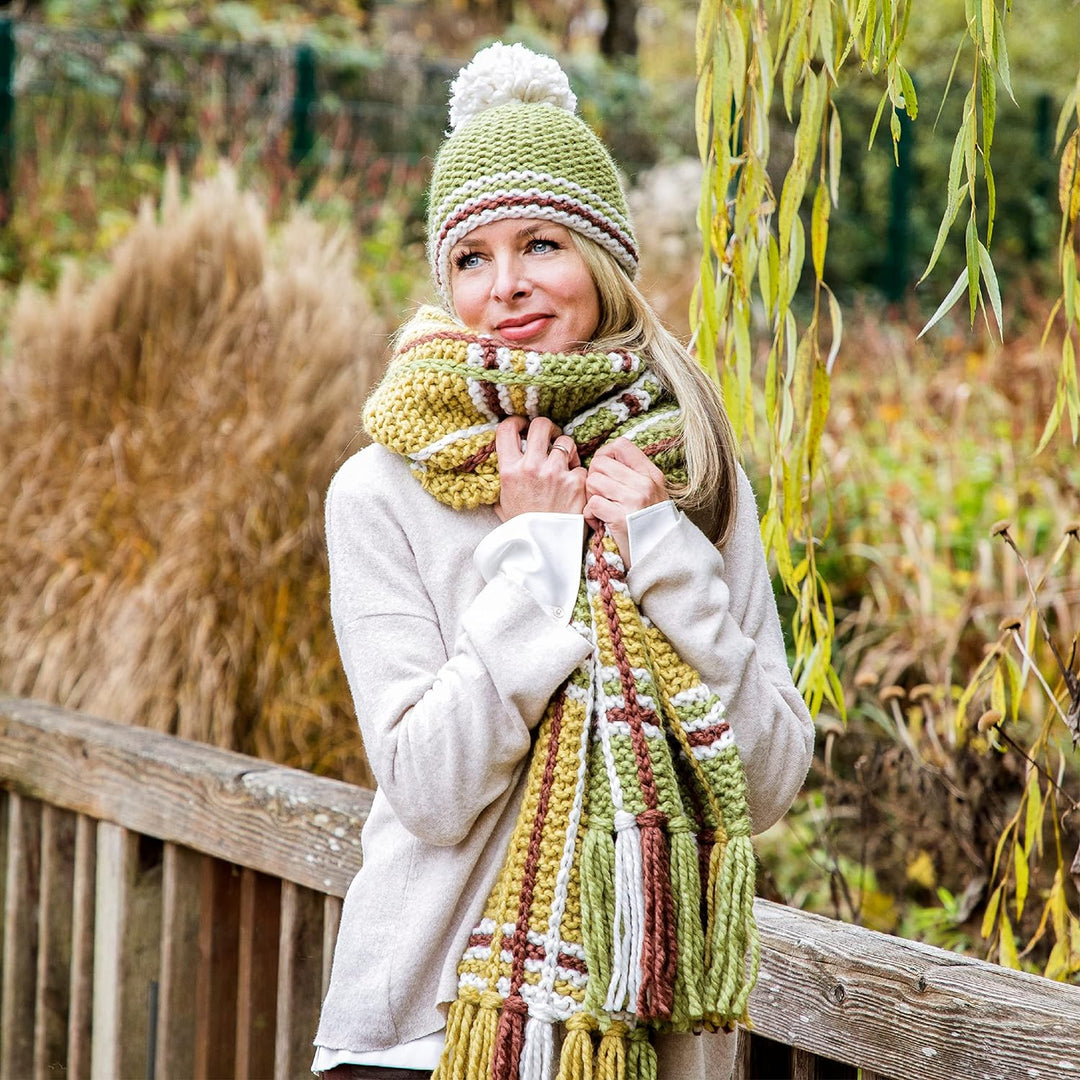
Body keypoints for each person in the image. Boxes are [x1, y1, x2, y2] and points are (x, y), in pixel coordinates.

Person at [313, 42, 814, 1080]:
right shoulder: (382, 490)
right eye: (471, 258)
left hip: (640, 1038)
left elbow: (766, 781)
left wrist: (664, 558)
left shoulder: (693, 471)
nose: (506, 286)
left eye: (540, 243)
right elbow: (429, 789)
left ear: (602, 258)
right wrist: (538, 555)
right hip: (425, 1035)